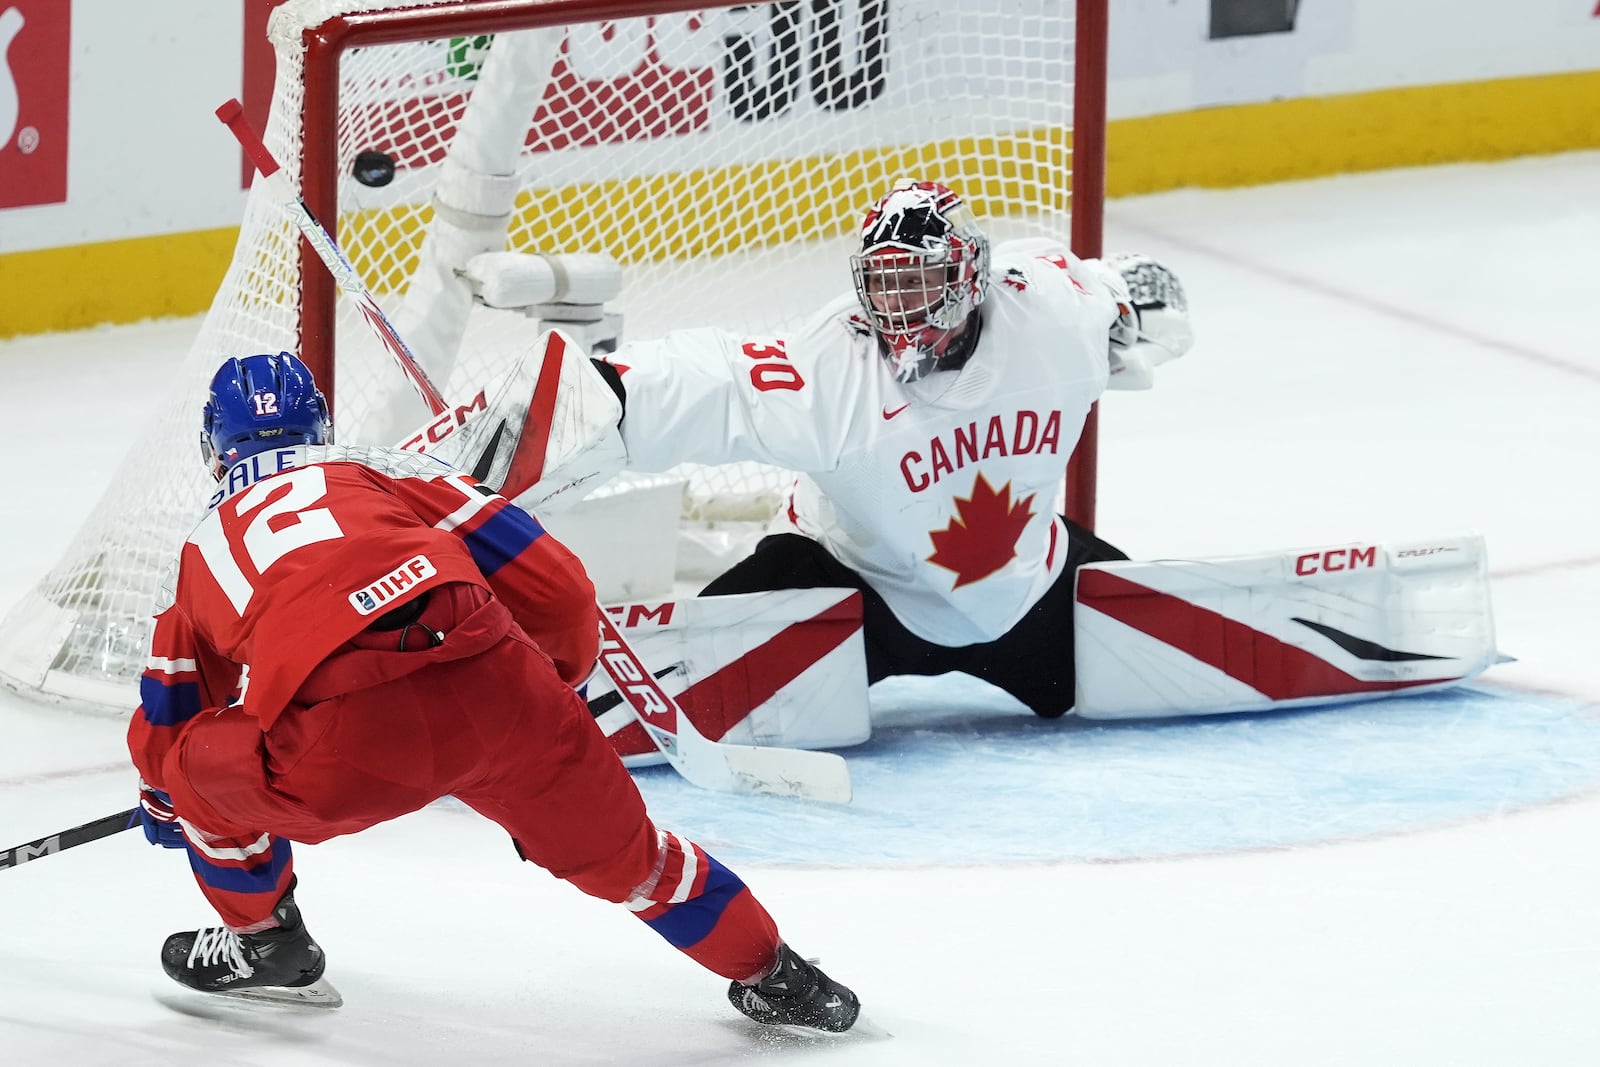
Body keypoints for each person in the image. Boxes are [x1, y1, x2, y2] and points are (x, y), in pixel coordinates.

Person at [127, 352, 860, 1031]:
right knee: (639, 860)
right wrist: (552, 691)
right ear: (319, 422)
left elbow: (170, 719)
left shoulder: (200, 547)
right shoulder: (388, 470)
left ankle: (265, 943)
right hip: (506, 691)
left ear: (214, 446)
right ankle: (781, 974)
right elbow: (561, 586)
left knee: (190, 769)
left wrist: (170, 807)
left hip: (348, 749)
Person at [591, 179, 1193, 726]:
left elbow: (1126, 302)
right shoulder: (829, 366)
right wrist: (598, 393)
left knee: (1172, 674)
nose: (898, 305)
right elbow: (711, 382)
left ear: (968, 274)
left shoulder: (1052, 308)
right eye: (884, 283)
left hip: (1025, 592)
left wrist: (1140, 312)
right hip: (848, 595)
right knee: (704, 665)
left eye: (918, 280)